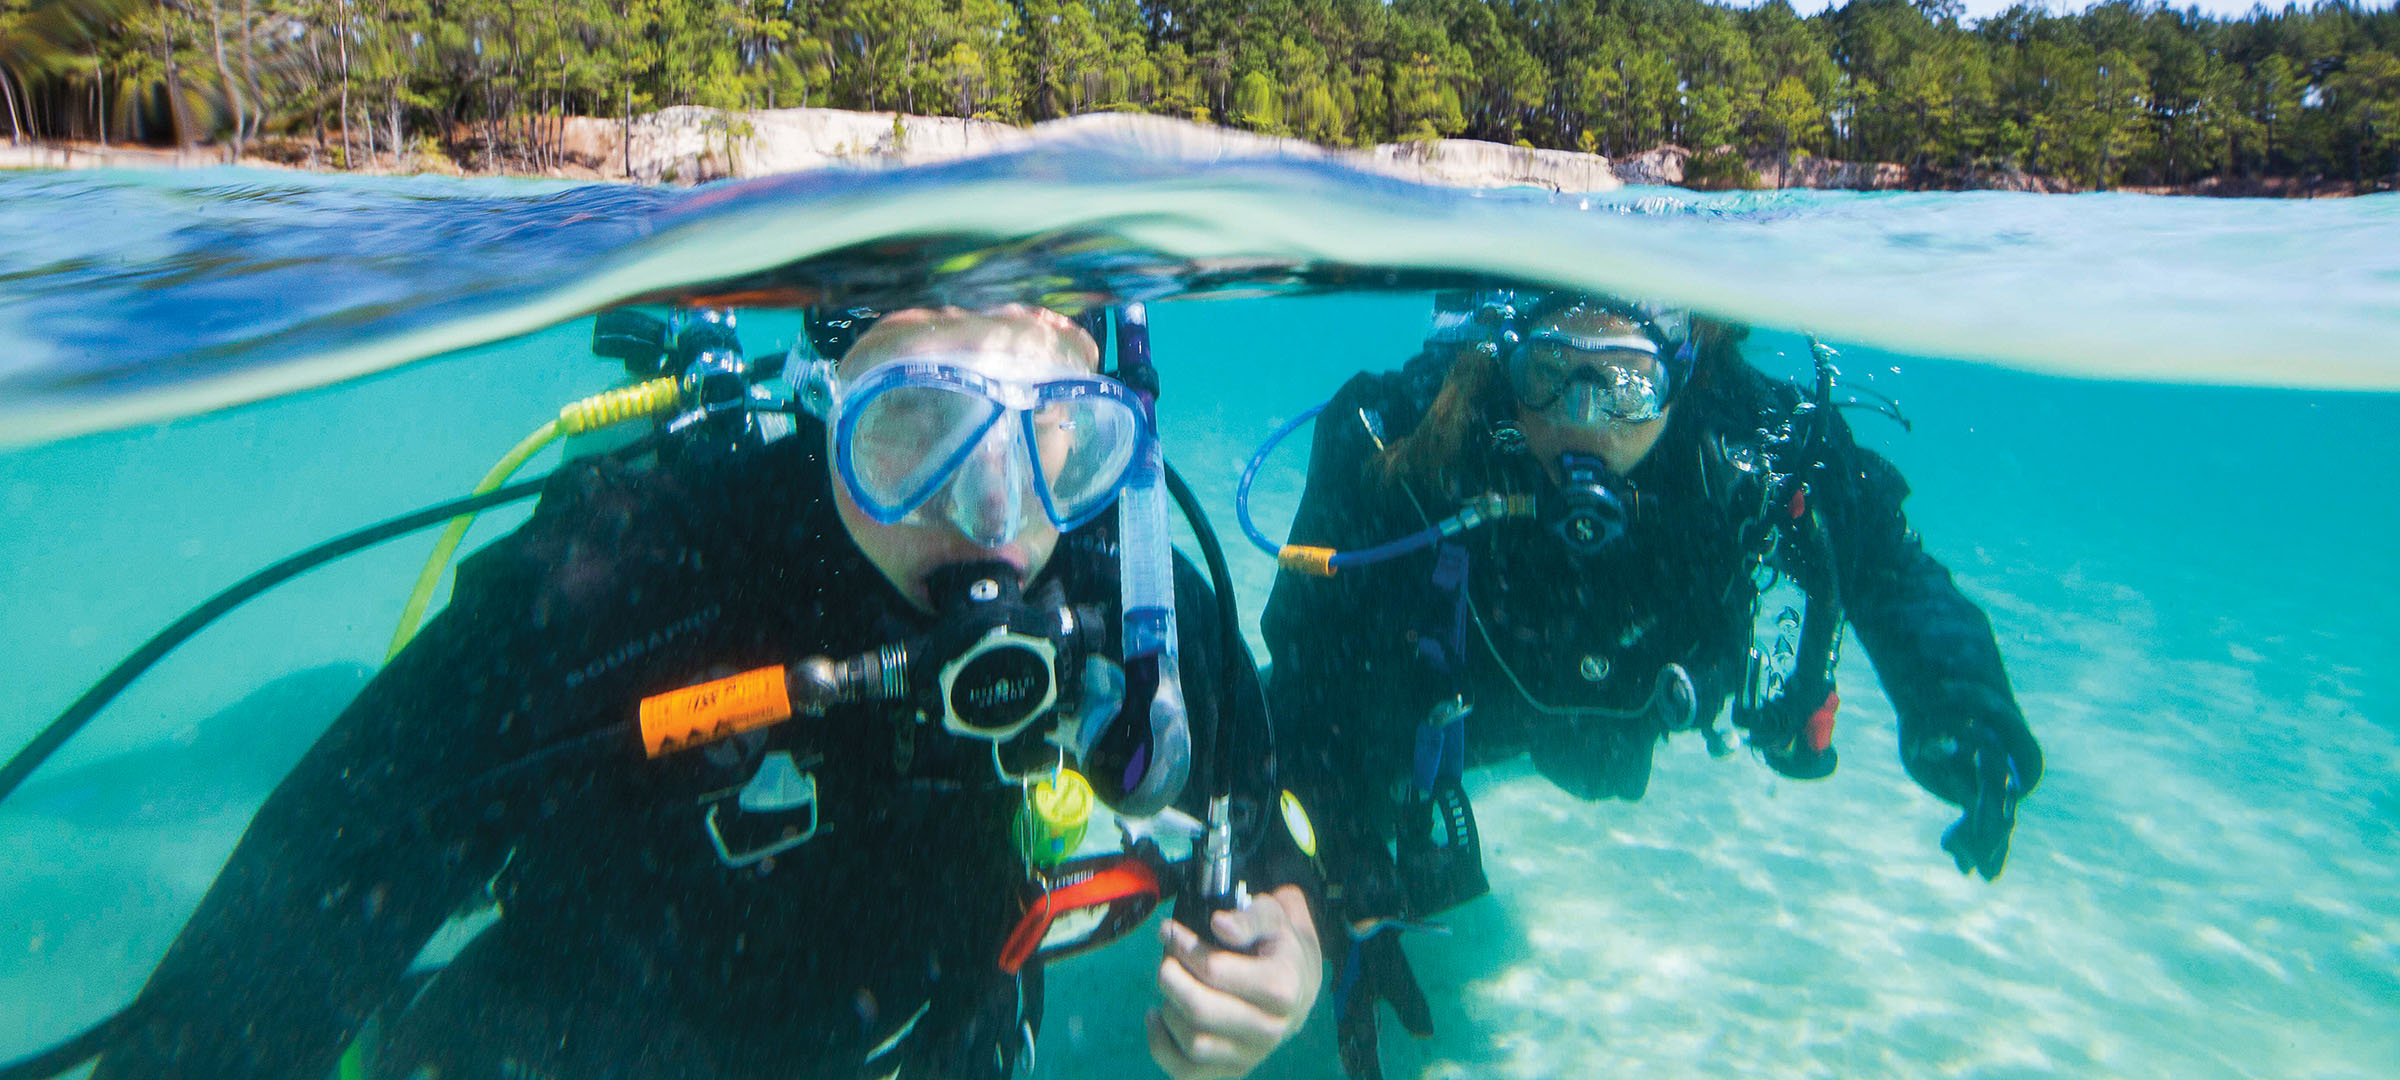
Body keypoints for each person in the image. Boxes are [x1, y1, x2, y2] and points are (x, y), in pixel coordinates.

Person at [94, 303, 1322, 1080]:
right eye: (914, 425)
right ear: (825, 397)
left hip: (938, 1033)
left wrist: (1292, 949)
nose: (994, 516)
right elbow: (297, 911)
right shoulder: (638, 574)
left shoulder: (1124, 579)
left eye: (1056, 432)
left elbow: (1268, 822)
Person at [1259, 290, 2043, 1080]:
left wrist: (1962, 709)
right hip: (1457, 708)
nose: (1584, 421)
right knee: (1271, 743)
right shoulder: (1410, 430)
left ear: (1685, 366)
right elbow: (1303, 671)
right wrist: (1334, 874)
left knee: (1598, 764)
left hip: (1630, 712)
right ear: (1506, 357)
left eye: (1628, 385)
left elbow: (1888, 571)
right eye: (1551, 372)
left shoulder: (1752, 441)